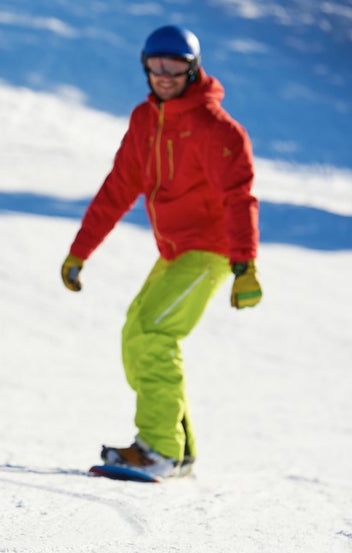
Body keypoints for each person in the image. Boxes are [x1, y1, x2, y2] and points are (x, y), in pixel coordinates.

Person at [60, 25, 263, 479]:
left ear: (193, 68)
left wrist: (244, 265)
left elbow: (239, 196)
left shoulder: (216, 128)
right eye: (157, 65)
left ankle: (160, 450)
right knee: (137, 332)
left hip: (210, 250)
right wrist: (80, 251)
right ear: (145, 66)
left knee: (153, 333)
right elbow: (117, 189)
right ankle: (178, 446)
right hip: (175, 251)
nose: (165, 74)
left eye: (175, 65)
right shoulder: (145, 120)